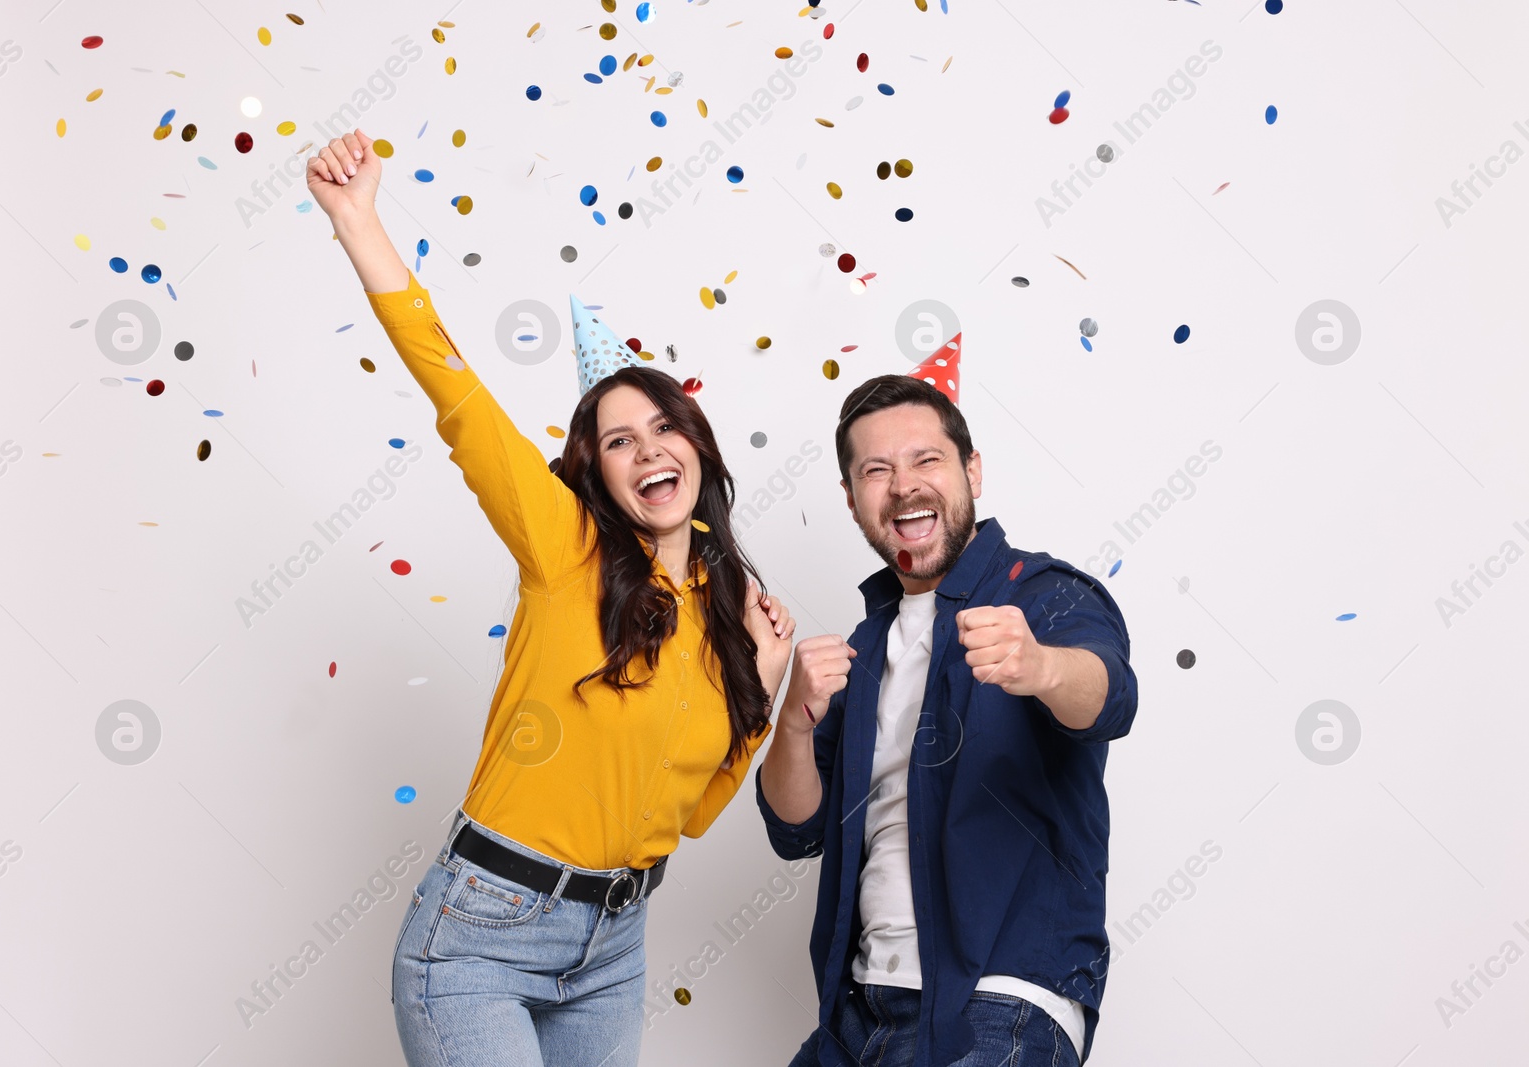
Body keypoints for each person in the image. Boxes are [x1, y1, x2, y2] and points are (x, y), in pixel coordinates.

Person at [306, 128, 797, 1067]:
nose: (648, 449)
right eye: (618, 440)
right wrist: (360, 222)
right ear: (595, 473)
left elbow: (684, 816)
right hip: (480, 933)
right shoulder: (562, 544)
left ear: (697, 446)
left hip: (613, 945)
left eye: (664, 426)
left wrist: (760, 693)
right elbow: (458, 397)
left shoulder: (717, 607)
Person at [757, 374, 1139, 1066]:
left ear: (973, 471)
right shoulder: (865, 644)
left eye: (926, 459)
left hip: (1000, 999)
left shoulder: (1043, 595)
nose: (904, 485)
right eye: (877, 470)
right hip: (857, 1012)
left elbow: (1111, 697)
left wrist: (1041, 666)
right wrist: (791, 720)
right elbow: (796, 829)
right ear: (853, 501)